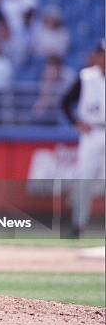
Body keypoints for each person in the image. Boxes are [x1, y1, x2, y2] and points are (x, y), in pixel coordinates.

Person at [61, 41, 105, 237]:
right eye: (101, 53)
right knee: (84, 179)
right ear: (96, 55)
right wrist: (76, 122)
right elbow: (65, 102)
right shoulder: (86, 77)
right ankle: (78, 225)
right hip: (92, 132)